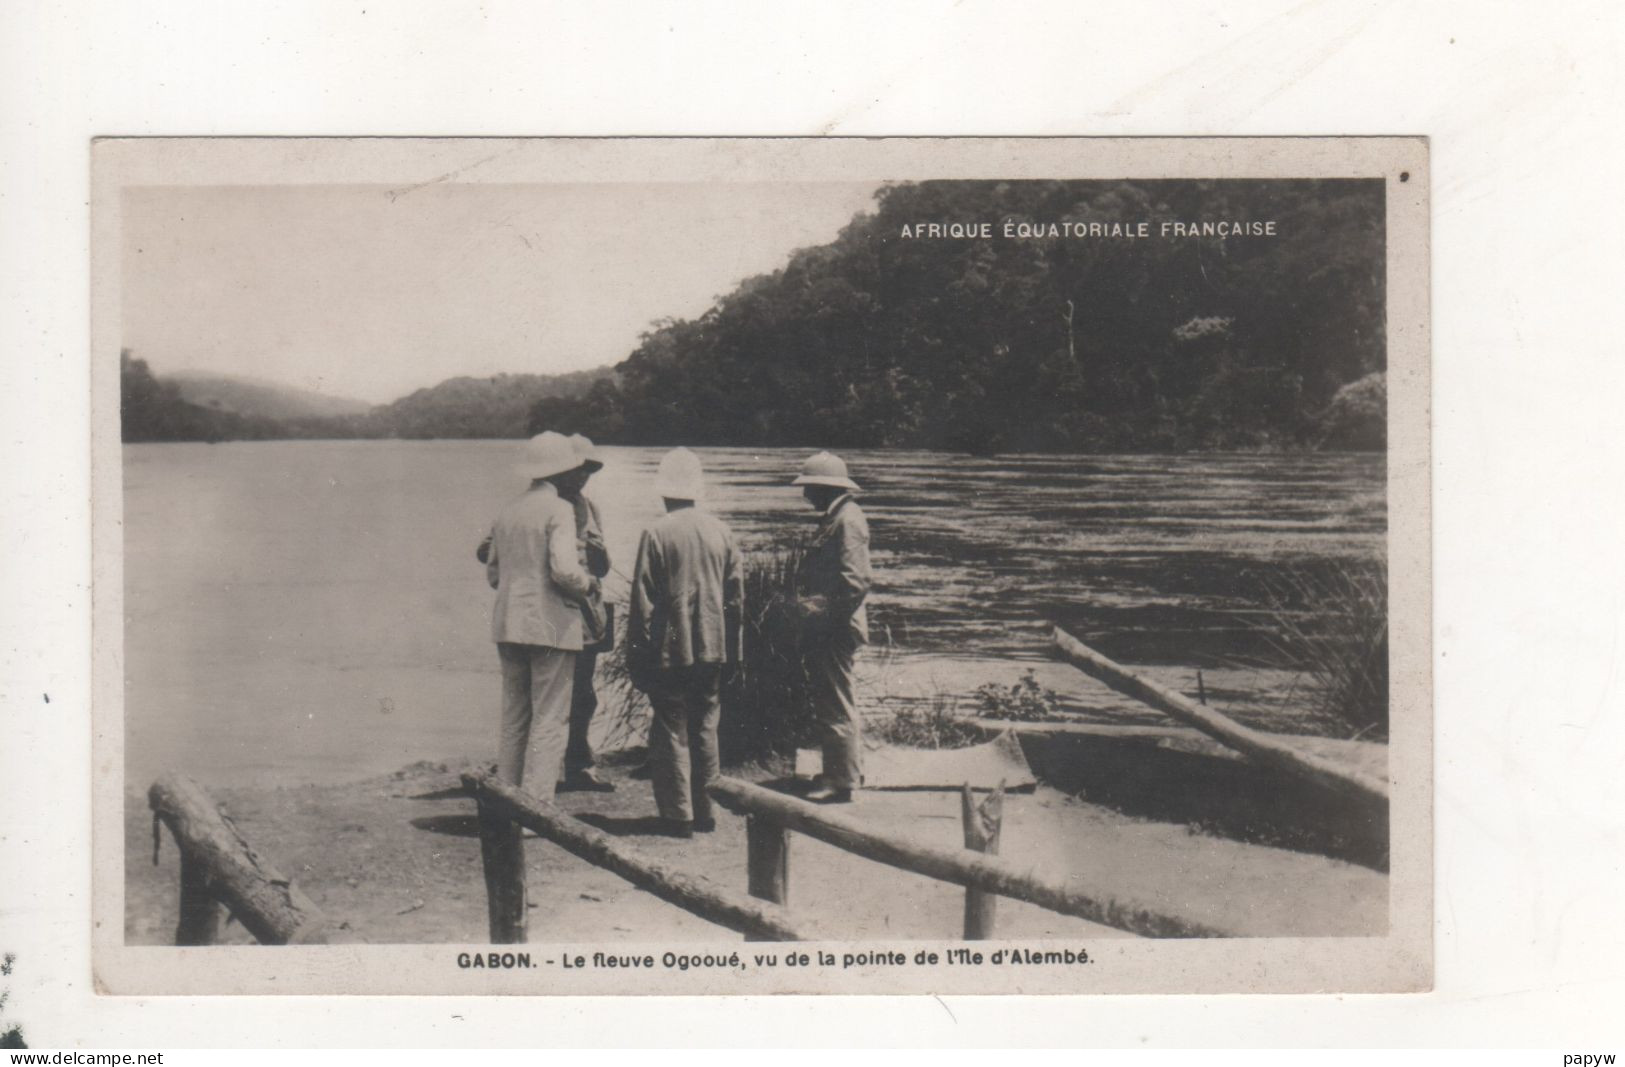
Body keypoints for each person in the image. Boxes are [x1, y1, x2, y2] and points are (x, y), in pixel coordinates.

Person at [627, 448, 744, 838]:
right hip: (713, 641)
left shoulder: (657, 533)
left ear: (664, 491)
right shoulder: (722, 531)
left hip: (672, 642)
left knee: (671, 723)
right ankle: (707, 809)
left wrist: (637, 651)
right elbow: (735, 599)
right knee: (706, 724)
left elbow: (642, 601)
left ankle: (678, 815)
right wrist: (734, 650)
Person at [480, 431, 601, 791]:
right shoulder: (560, 509)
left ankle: (507, 800)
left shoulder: (508, 511)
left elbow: (493, 573)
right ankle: (536, 811)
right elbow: (564, 570)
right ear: (562, 472)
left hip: (508, 623)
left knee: (515, 717)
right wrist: (588, 584)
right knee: (550, 719)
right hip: (551, 627)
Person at [789, 451, 872, 804]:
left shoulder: (847, 519)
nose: (805, 494)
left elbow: (855, 582)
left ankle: (840, 781)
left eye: (809, 487)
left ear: (825, 487)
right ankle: (842, 770)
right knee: (833, 699)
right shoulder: (838, 516)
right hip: (832, 625)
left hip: (836, 628)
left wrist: (820, 614)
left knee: (836, 701)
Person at [559, 433, 615, 792]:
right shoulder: (544, 507)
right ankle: (543, 765)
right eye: (578, 470)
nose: (583, 477)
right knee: (550, 695)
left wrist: (599, 554)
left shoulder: (591, 508)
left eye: (589, 471)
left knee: (584, 694)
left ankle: (579, 764)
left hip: (588, 616)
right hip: (555, 614)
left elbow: (603, 567)